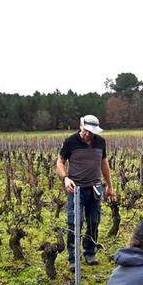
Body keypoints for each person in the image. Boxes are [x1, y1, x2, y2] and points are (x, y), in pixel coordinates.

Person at [56, 115, 113, 270]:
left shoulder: (100, 142)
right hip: (76, 189)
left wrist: (110, 186)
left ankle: (90, 252)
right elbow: (60, 162)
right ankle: (73, 258)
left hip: (95, 188)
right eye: (86, 131)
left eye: (92, 132)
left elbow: (104, 163)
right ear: (81, 126)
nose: (89, 134)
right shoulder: (70, 141)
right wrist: (66, 178)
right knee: (74, 223)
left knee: (94, 221)